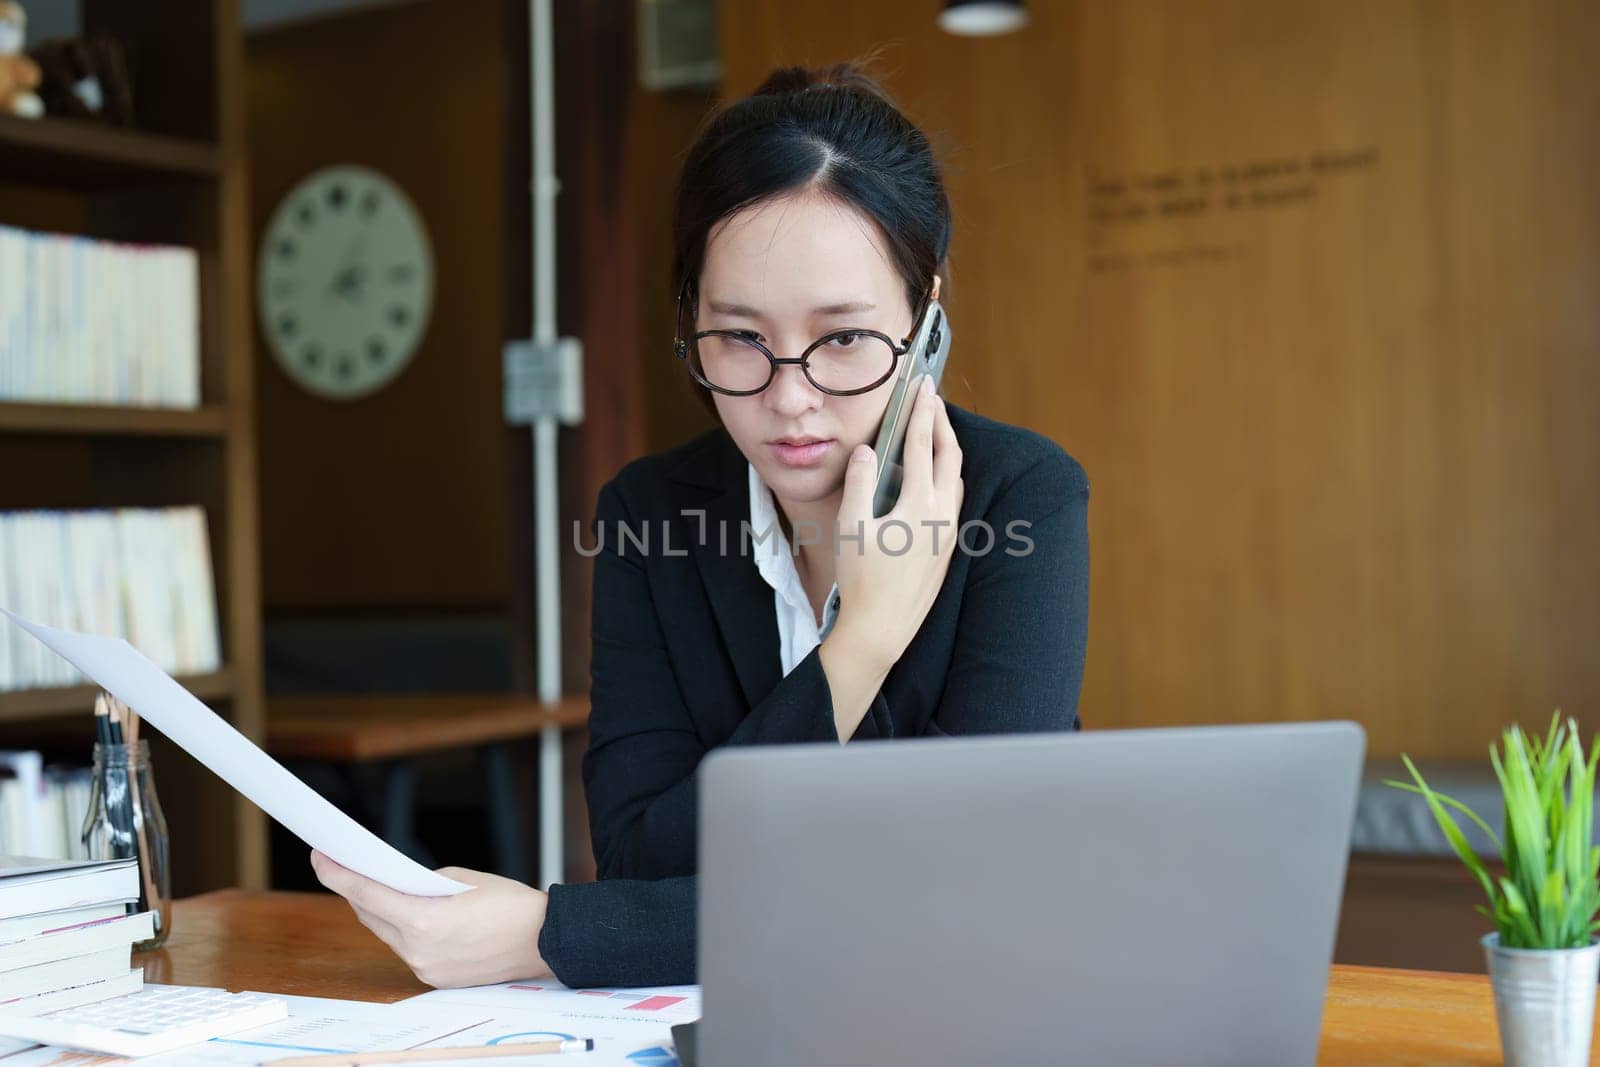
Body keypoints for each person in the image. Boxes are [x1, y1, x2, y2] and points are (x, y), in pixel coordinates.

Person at [311, 61, 1090, 990]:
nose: (790, 399)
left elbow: (963, 891)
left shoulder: (1020, 498)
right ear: (690, 320)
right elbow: (645, 856)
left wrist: (550, 935)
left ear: (926, 325)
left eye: (842, 337)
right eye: (741, 338)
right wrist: (859, 649)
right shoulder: (649, 517)